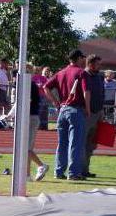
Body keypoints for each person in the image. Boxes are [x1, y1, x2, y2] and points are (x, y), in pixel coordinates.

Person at [44, 49, 90, 181]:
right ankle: (74, 173)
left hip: (63, 109)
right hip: (76, 109)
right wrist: (87, 108)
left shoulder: (60, 73)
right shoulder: (81, 72)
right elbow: (86, 92)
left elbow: (46, 87)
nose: (84, 60)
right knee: (76, 143)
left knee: (62, 143)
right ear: (78, 58)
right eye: (83, 58)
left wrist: (56, 103)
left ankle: (58, 171)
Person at [83, 54, 104, 178]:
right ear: (90, 64)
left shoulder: (98, 77)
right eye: (97, 64)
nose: (99, 66)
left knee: (92, 144)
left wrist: (101, 112)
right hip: (88, 113)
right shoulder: (84, 75)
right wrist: (87, 109)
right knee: (82, 142)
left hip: (98, 112)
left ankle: (85, 169)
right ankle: (79, 169)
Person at [32, 66, 50, 130]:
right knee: (39, 111)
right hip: (37, 96)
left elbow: (46, 85)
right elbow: (33, 85)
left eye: (38, 70)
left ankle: (44, 126)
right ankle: (39, 126)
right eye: (36, 70)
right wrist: (38, 85)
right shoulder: (33, 77)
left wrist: (41, 85)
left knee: (44, 111)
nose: (37, 71)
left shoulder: (43, 78)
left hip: (44, 96)